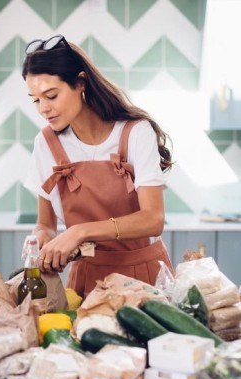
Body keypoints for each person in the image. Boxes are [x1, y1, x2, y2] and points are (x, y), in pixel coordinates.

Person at [22, 34, 174, 298]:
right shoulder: (45, 143)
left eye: (51, 95)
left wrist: (79, 232)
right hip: (85, 280)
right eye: (36, 100)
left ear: (80, 83)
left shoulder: (135, 133)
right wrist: (40, 240)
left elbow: (154, 219)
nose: (43, 109)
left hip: (144, 277)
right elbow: (45, 223)